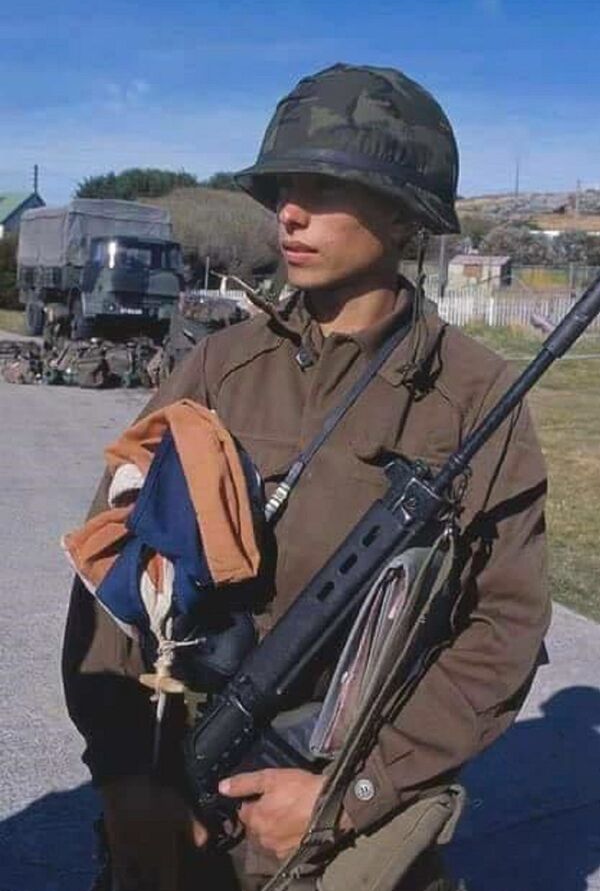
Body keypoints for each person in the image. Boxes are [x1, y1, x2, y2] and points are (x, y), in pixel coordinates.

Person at [62, 63, 550, 891]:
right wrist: (121, 776)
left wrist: (347, 795)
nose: (289, 210)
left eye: (323, 187)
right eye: (286, 185)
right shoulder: (221, 366)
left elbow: (502, 629)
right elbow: (116, 563)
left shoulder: (474, 400)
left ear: (403, 215)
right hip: (179, 796)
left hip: (338, 812)